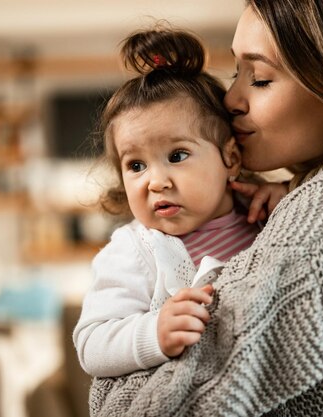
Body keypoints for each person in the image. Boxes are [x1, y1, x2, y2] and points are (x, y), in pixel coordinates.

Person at [88, 1, 323, 415]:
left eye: (260, 79)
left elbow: (139, 408)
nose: (231, 99)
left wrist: (110, 387)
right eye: (238, 72)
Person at [73, 27, 288, 378]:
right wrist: (154, 333)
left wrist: (287, 195)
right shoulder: (134, 250)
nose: (156, 182)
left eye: (177, 155)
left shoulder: (264, 215)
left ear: (230, 159)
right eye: (136, 165)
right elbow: (91, 344)